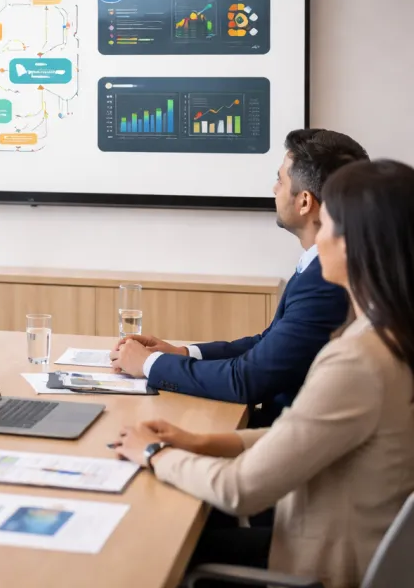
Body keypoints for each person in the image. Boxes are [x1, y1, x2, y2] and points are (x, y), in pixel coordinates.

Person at [113, 159, 414, 588]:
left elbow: (240, 491)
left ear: (354, 244)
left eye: (326, 224)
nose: (316, 240)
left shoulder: (358, 360)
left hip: (320, 566)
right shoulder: (388, 334)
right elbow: (302, 434)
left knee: (150, 539)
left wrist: (153, 454)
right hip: (349, 547)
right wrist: (198, 441)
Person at [110, 129, 368, 426]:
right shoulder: (317, 266)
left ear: (305, 202)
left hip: (280, 438)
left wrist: (149, 364)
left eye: (280, 180)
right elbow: (268, 343)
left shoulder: (326, 281)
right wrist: (182, 352)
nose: (274, 189)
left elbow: (247, 379)